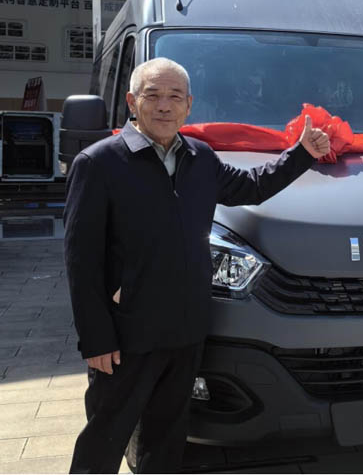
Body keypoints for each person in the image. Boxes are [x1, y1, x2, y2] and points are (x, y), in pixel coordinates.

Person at [64, 57, 330, 473]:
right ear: (133, 102)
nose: (164, 106)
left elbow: (250, 186)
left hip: (185, 329)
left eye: (175, 97)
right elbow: (81, 260)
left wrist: (301, 155)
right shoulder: (99, 163)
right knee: (106, 433)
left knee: (168, 436)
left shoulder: (199, 158)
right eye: (153, 95)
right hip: (126, 333)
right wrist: (95, 339)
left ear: (189, 105)